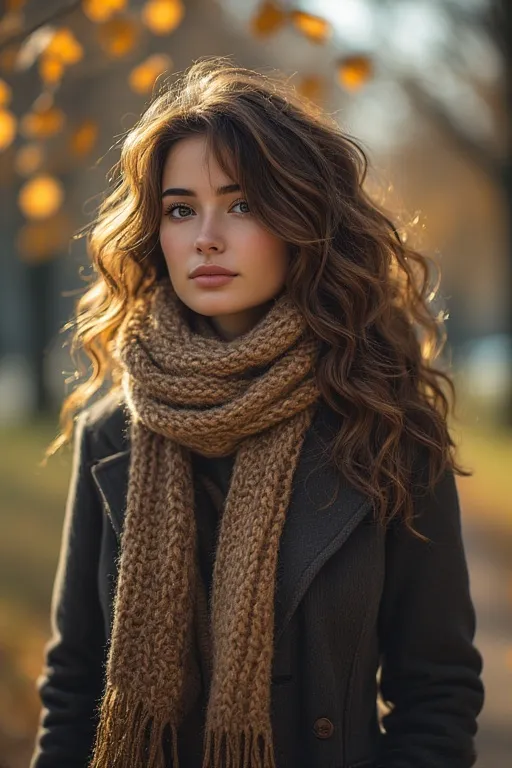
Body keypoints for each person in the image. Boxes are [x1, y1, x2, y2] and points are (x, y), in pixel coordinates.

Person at [29, 57, 484, 768]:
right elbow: (73, 688)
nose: (206, 237)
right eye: (181, 209)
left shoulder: (386, 427)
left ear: (304, 220)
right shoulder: (113, 432)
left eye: (241, 205)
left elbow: (437, 695)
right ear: (156, 232)